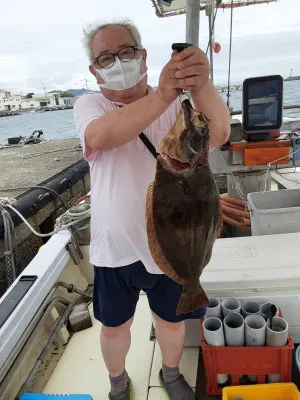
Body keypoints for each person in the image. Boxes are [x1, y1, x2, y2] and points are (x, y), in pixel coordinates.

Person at [73, 19, 230, 400]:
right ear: (95, 71)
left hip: (173, 245)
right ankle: (117, 382)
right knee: (114, 327)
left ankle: (171, 372)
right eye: (106, 57)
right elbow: (100, 136)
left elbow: (220, 133)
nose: (118, 61)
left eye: (126, 51)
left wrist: (200, 82)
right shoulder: (90, 105)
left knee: (171, 321)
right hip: (116, 249)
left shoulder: (180, 104)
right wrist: (161, 94)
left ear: (142, 56)